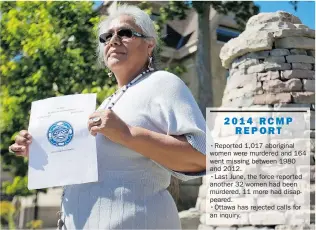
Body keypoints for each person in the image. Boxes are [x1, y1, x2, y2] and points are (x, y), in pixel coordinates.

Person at [9, 4, 206, 230]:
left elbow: (202, 157)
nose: (113, 40)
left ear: (150, 44)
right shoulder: (108, 102)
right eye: (106, 36)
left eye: (125, 33)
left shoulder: (163, 83)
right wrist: (41, 150)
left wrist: (127, 134)